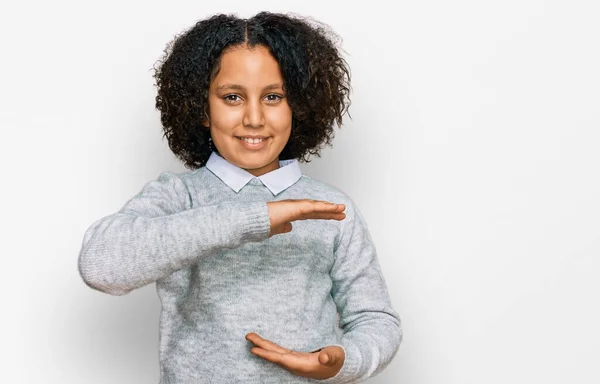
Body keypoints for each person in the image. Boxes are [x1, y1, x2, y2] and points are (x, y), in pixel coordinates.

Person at [78, 11, 402, 383]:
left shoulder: (332, 209)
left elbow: (376, 318)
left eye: (273, 97)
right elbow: (101, 266)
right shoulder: (179, 196)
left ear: (299, 105)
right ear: (202, 108)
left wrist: (344, 360)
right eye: (233, 97)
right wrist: (253, 218)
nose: (253, 118)